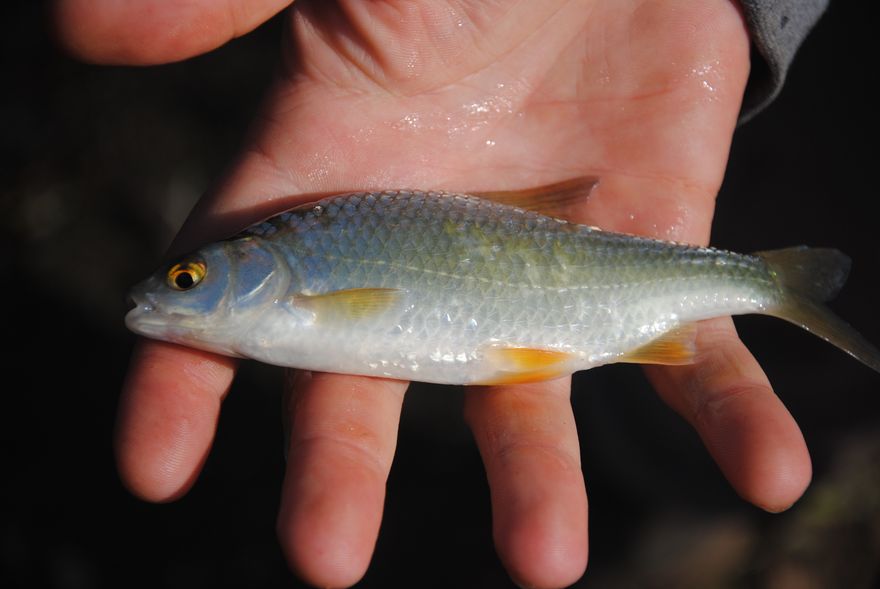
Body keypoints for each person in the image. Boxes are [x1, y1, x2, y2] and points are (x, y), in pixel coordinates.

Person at [53, 1, 827, 587]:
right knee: (666, 432)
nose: (171, 289)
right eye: (185, 278)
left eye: (187, 279)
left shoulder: (295, 256)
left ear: (255, 264)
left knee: (768, 407)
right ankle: (678, 489)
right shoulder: (294, 259)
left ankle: (697, 490)